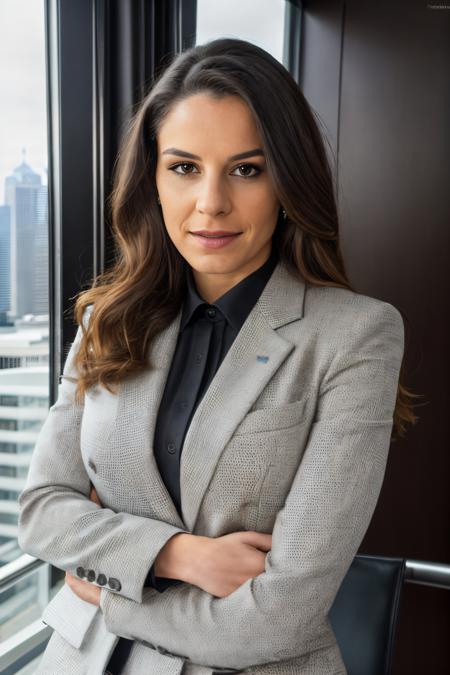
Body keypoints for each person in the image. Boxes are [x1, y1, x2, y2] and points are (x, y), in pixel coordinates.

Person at [17, 38, 418, 675]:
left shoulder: (356, 336)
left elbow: (280, 613)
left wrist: (112, 599)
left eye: (246, 169)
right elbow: (41, 513)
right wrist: (180, 555)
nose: (211, 203)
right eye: (184, 167)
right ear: (152, 177)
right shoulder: (108, 319)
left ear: (287, 179)